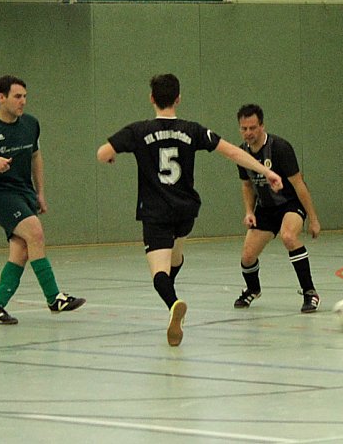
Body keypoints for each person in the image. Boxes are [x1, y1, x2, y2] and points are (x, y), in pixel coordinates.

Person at [97, 74, 282, 346]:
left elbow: (102, 153)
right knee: (175, 258)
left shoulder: (138, 131)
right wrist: (266, 171)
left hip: (156, 212)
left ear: (152, 99)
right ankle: (171, 292)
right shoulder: (192, 130)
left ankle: (174, 304)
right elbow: (232, 152)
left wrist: (111, 153)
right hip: (185, 211)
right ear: (178, 98)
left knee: (159, 273)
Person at [0, 75, 86, 325]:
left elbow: (36, 156)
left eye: (25, 96)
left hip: (23, 192)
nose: (22, 101)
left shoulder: (31, 124)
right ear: (1, 98)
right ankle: (54, 297)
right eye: (17, 96)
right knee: (35, 232)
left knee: (22, 250)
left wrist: (40, 192)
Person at [233, 104, 322, 313]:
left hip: (290, 204)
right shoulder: (242, 153)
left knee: (288, 237)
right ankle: (253, 289)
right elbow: (247, 185)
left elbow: (300, 184)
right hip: (265, 208)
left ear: (262, 126)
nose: (248, 133)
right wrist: (249, 211)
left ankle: (310, 292)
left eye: (252, 128)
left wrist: (313, 219)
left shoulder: (280, 148)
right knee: (247, 256)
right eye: (244, 129)